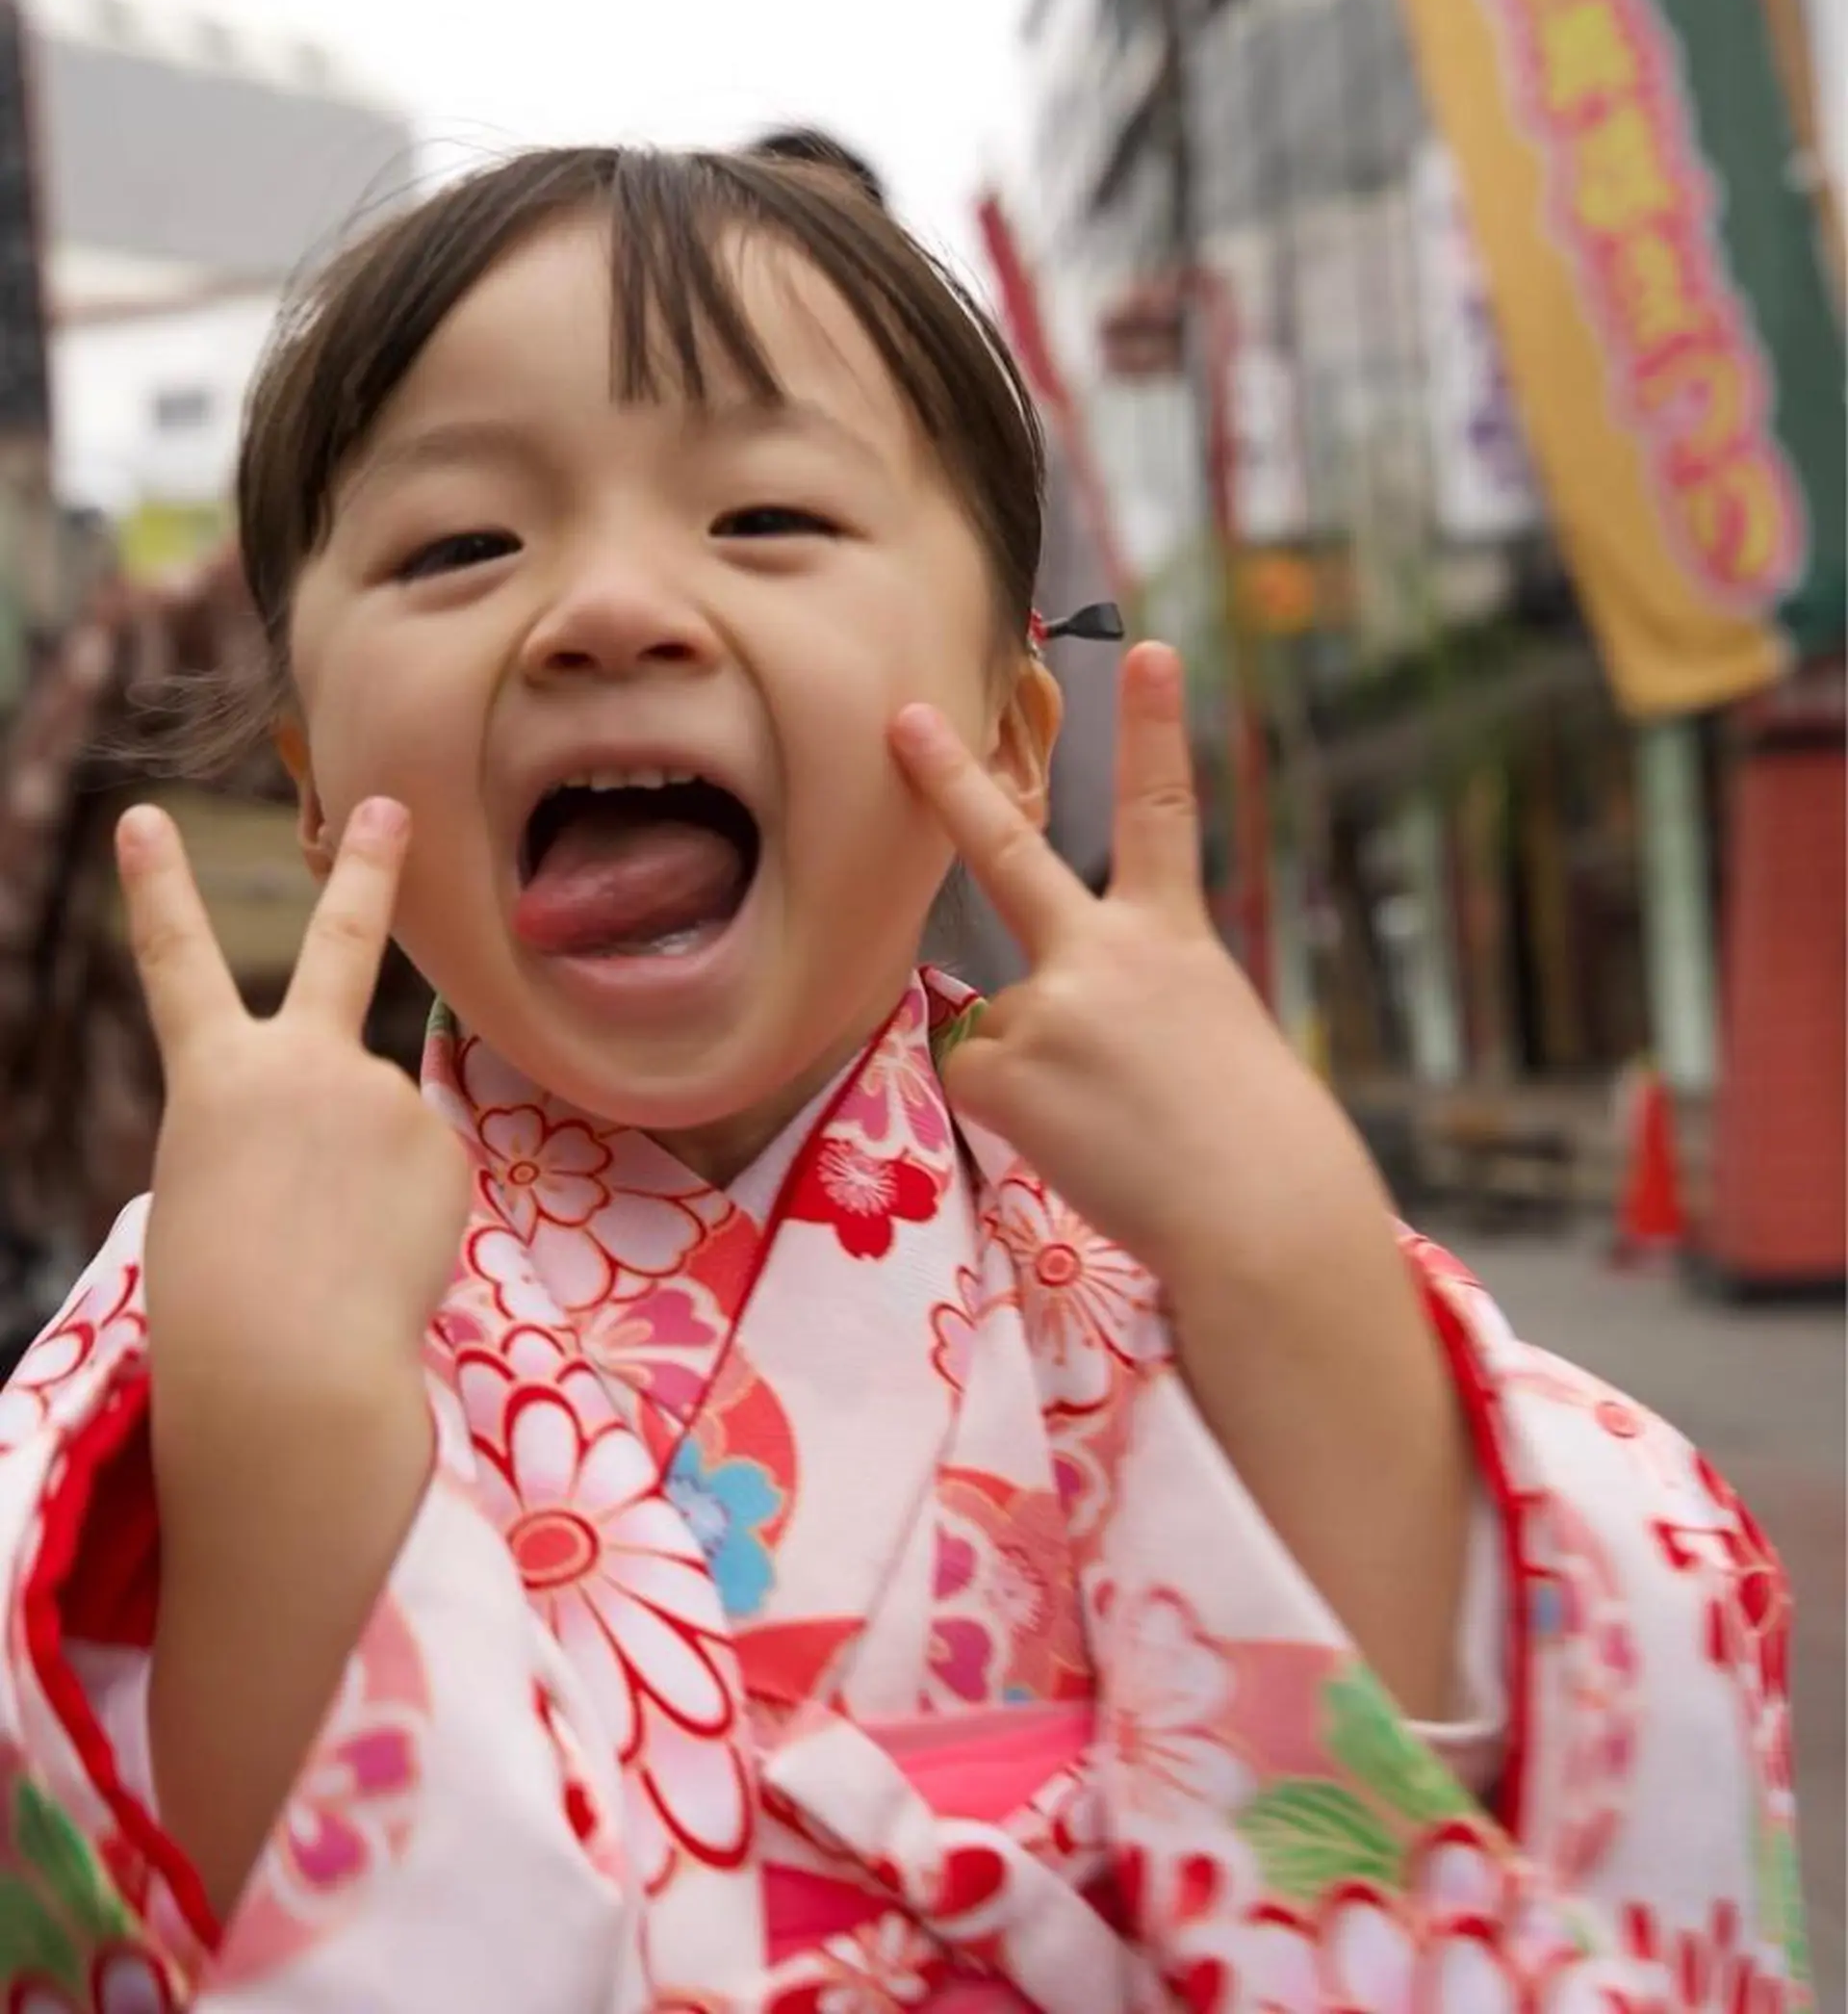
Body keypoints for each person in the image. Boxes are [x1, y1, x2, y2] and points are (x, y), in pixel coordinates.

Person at [0, 147, 1803, 2011]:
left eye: (766, 513)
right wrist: (278, 1430)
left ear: (1019, 739)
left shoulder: (1172, 1236)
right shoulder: (221, 1281)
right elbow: (177, 1919)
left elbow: (1466, 1815)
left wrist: (1295, 1258)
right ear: (312, 778)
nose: (610, 607)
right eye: (463, 545)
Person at [747, 123, 1117, 979]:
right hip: (970, 873)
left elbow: (1080, 671)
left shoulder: (1001, 417)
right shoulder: (1000, 407)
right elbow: (1086, 688)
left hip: (901, 875)